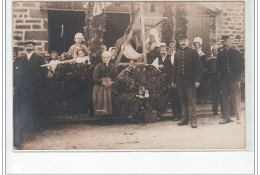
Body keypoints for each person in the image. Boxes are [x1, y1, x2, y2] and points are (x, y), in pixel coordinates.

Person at [13, 41, 49, 147]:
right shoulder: (20, 59)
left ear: (33, 47)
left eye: (31, 45)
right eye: (27, 46)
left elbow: (44, 72)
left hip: (37, 87)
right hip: (24, 88)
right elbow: (16, 74)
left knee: (37, 106)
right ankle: (28, 126)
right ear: (25, 48)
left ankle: (39, 126)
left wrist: (39, 83)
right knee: (26, 107)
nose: (29, 47)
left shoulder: (39, 58)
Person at [172, 35, 202, 128]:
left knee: (191, 101)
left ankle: (193, 120)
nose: (182, 43)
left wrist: (197, 80)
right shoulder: (177, 53)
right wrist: (173, 81)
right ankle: (185, 119)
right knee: (183, 101)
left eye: (184, 40)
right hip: (180, 82)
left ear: (188, 41)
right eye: (181, 41)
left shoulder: (193, 52)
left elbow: (198, 67)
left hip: (190, 82)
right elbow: (175, 69)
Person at [217, 35, 244, 124]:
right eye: (223, 42)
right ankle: (226, 117)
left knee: (235, 98)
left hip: (234, 79)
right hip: (224, 80)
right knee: (224, 99)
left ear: (231, 42)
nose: (225, 43)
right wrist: (220, 77)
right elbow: (218, 68)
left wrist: (237, 77)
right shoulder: (220, 54)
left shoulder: (236, 53)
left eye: (226, 41)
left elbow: (241, 67)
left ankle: (238, 118)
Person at [152, 43, 182, 120]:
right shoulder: (157, 59)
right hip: (161, 82)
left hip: (171, 81)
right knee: (161, 98)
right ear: (159, 51)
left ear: (167, 51)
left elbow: (176, 68)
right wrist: (158, 66)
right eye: (161, 50)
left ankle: (177, 115)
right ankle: (158, 115)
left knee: (175, 98)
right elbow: (152, 67)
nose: (162, 51)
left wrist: (174, 80)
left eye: (164, 50)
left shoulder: (171, 57)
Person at [92, 51, 117, 125]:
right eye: (104, 57)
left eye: (107, 57)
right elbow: (95, 77)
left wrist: (112, 82)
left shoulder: (113, 66)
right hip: (100, 87)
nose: (106, 58)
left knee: (109, 101)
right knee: (101, 101)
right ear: (102, 58)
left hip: (110, 86)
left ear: (109, 58)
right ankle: (102, 119)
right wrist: (102, 82)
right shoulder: (98, 66)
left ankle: (108, 118)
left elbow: (115, 77)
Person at [205, 45, 222, 115]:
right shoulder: (209, 59)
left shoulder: (220, 59)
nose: (214, 51)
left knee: (221, 94)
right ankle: (215, 110)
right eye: (213, 50)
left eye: (216, 50)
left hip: (220, 78)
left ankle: (223, 110)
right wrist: (209, 73)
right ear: (212, 51)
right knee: (214, 94)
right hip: (213, 79)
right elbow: (205, 68)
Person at [193, 37, 209, 104]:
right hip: (193, 70)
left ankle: (201, 99)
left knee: (200, 84)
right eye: (195, 45)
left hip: (200, 70)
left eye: (198, 45)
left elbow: (203, 63)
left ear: (200, 46)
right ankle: (194, 99)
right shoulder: (192, 53)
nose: (196, 46)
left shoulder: (202, 54)